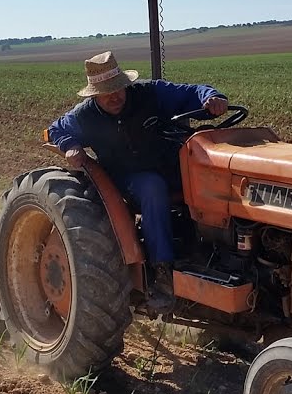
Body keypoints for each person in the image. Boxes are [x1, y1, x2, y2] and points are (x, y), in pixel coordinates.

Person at [47, 51, 228, 313]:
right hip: (126, 176)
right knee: (152, 187)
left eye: (119, 88)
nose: (115, 96)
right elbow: (56, 130)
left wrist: (211, 97)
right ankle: (162, 272)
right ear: (94, 94)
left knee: (214, 177)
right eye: (107, 92)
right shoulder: (85, 115)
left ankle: (215, 256)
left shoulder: (150, 94)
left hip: (169, 166)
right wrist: (70, 145)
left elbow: (190, 92)